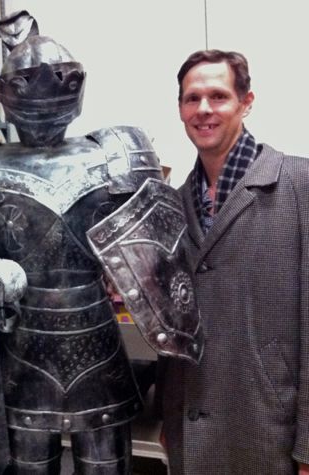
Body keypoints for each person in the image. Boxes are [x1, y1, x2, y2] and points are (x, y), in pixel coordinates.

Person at [0, 10, 202, 475]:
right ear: (5, 95)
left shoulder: (116, 150)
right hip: (21, 337)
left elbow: (159, 247)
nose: (43, 100)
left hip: (95, 332)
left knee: (105, 462)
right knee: (29, 463)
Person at [160, 49, 309, 474]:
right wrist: (169, 413)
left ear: (246, 102)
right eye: (192, 98)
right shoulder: (174, 204)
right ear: (180, 109)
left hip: (268, 428)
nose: (203, 109)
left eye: (218, 96)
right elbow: (174, 323)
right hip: (191, 425)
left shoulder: (299, 184)